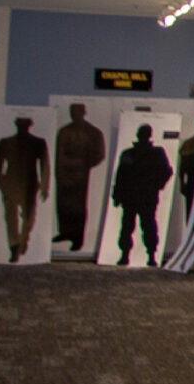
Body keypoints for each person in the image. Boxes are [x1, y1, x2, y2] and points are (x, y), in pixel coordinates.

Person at [110, 124, 173, 266]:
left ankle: (150, 255)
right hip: (132, 196)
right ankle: (126, 254)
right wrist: (117, 194)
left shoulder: (156, 153)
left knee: (147, 226)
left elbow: (166, 172)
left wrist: (156, 185)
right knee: (128, 227)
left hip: (146, 196)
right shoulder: (129, 154)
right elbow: (120, 176)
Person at [0, 116, 50, 263]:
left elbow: (45, 165)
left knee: (29, 217)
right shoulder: (6, 142)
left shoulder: (38, 143)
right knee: (11, 217)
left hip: (29, 183)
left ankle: (22, 242)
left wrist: (44, 185)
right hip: (11, 183)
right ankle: (14, 246)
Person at [51, 104, 105, 252]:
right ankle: (65, 232)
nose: (74, 115)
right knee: (63, 205)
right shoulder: (64, 131)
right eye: (72, 112)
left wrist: (83, 164)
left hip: (81, 174)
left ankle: (77, 239)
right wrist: (60, 171)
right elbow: (58, 153)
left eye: (77, 112)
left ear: (83, 113)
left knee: (78, 207)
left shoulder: (93, 132)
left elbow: (99, 154)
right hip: (63, 172)